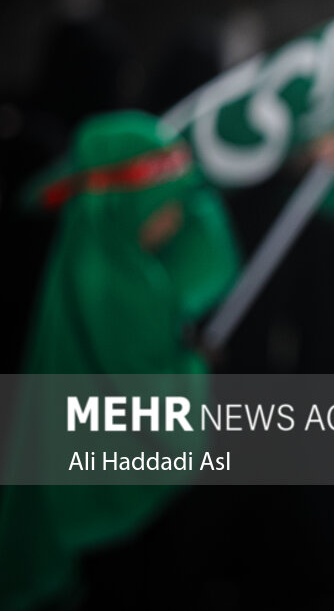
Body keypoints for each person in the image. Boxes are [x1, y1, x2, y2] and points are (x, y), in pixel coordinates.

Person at [0, 110, 241, 610]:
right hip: (101, 518)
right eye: (162, 204)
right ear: (125, 203)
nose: (175, 218)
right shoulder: (124, 284)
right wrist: (193, 368)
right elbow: (156, 411)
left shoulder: (67, 249)